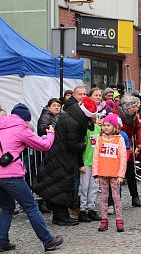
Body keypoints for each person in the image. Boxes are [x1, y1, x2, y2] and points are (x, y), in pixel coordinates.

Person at [0, 103, 63, 252]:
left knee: (6, 207)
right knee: (31, 207)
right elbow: (44, 145)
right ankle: (48, 240)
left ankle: (2, 242)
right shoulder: (21, 127)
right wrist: (50, 133)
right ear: (25, 119)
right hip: (10, 174)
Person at [34, 96, 97, 226]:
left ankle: (62, 215)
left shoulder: (69, 116)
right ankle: (60, 216)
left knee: (58, 186)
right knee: (61, 187)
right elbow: (73, 145)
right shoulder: (73, 123)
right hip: (63, 159)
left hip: (59, 157)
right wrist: (84, 145)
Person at [93, 113, 128, 232]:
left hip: (114, 173)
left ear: (114, 126)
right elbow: (96, 157)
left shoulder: (120, 140)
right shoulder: (100, 139)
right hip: (102, 172)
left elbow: (123, 158)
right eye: (104, 125)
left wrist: (121, 174)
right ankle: (104, 220)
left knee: (116, 197)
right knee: (103, 197)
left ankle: (119, 220)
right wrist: (95, 173)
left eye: (108, 125)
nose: (105, 127)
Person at [115, 94, 141, 207]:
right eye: (134, 106)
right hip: (118, 146)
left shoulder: (134, 116)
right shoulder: (116, 115)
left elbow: (138, 129)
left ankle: (135, 197)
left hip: (129, 147)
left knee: (131, 173)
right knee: (117, 175)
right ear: (127, 107)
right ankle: (115, 200)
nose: (136, 108)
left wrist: (140, 141)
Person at [78, 113, 102, 223]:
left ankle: (91, 208)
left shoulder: (98, 128)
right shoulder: (83, 129)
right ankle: (82, 209)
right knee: (84, 187)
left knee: (94, 187)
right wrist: (80, 163)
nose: (96, 116)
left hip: (96, 162)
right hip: (86, 161)